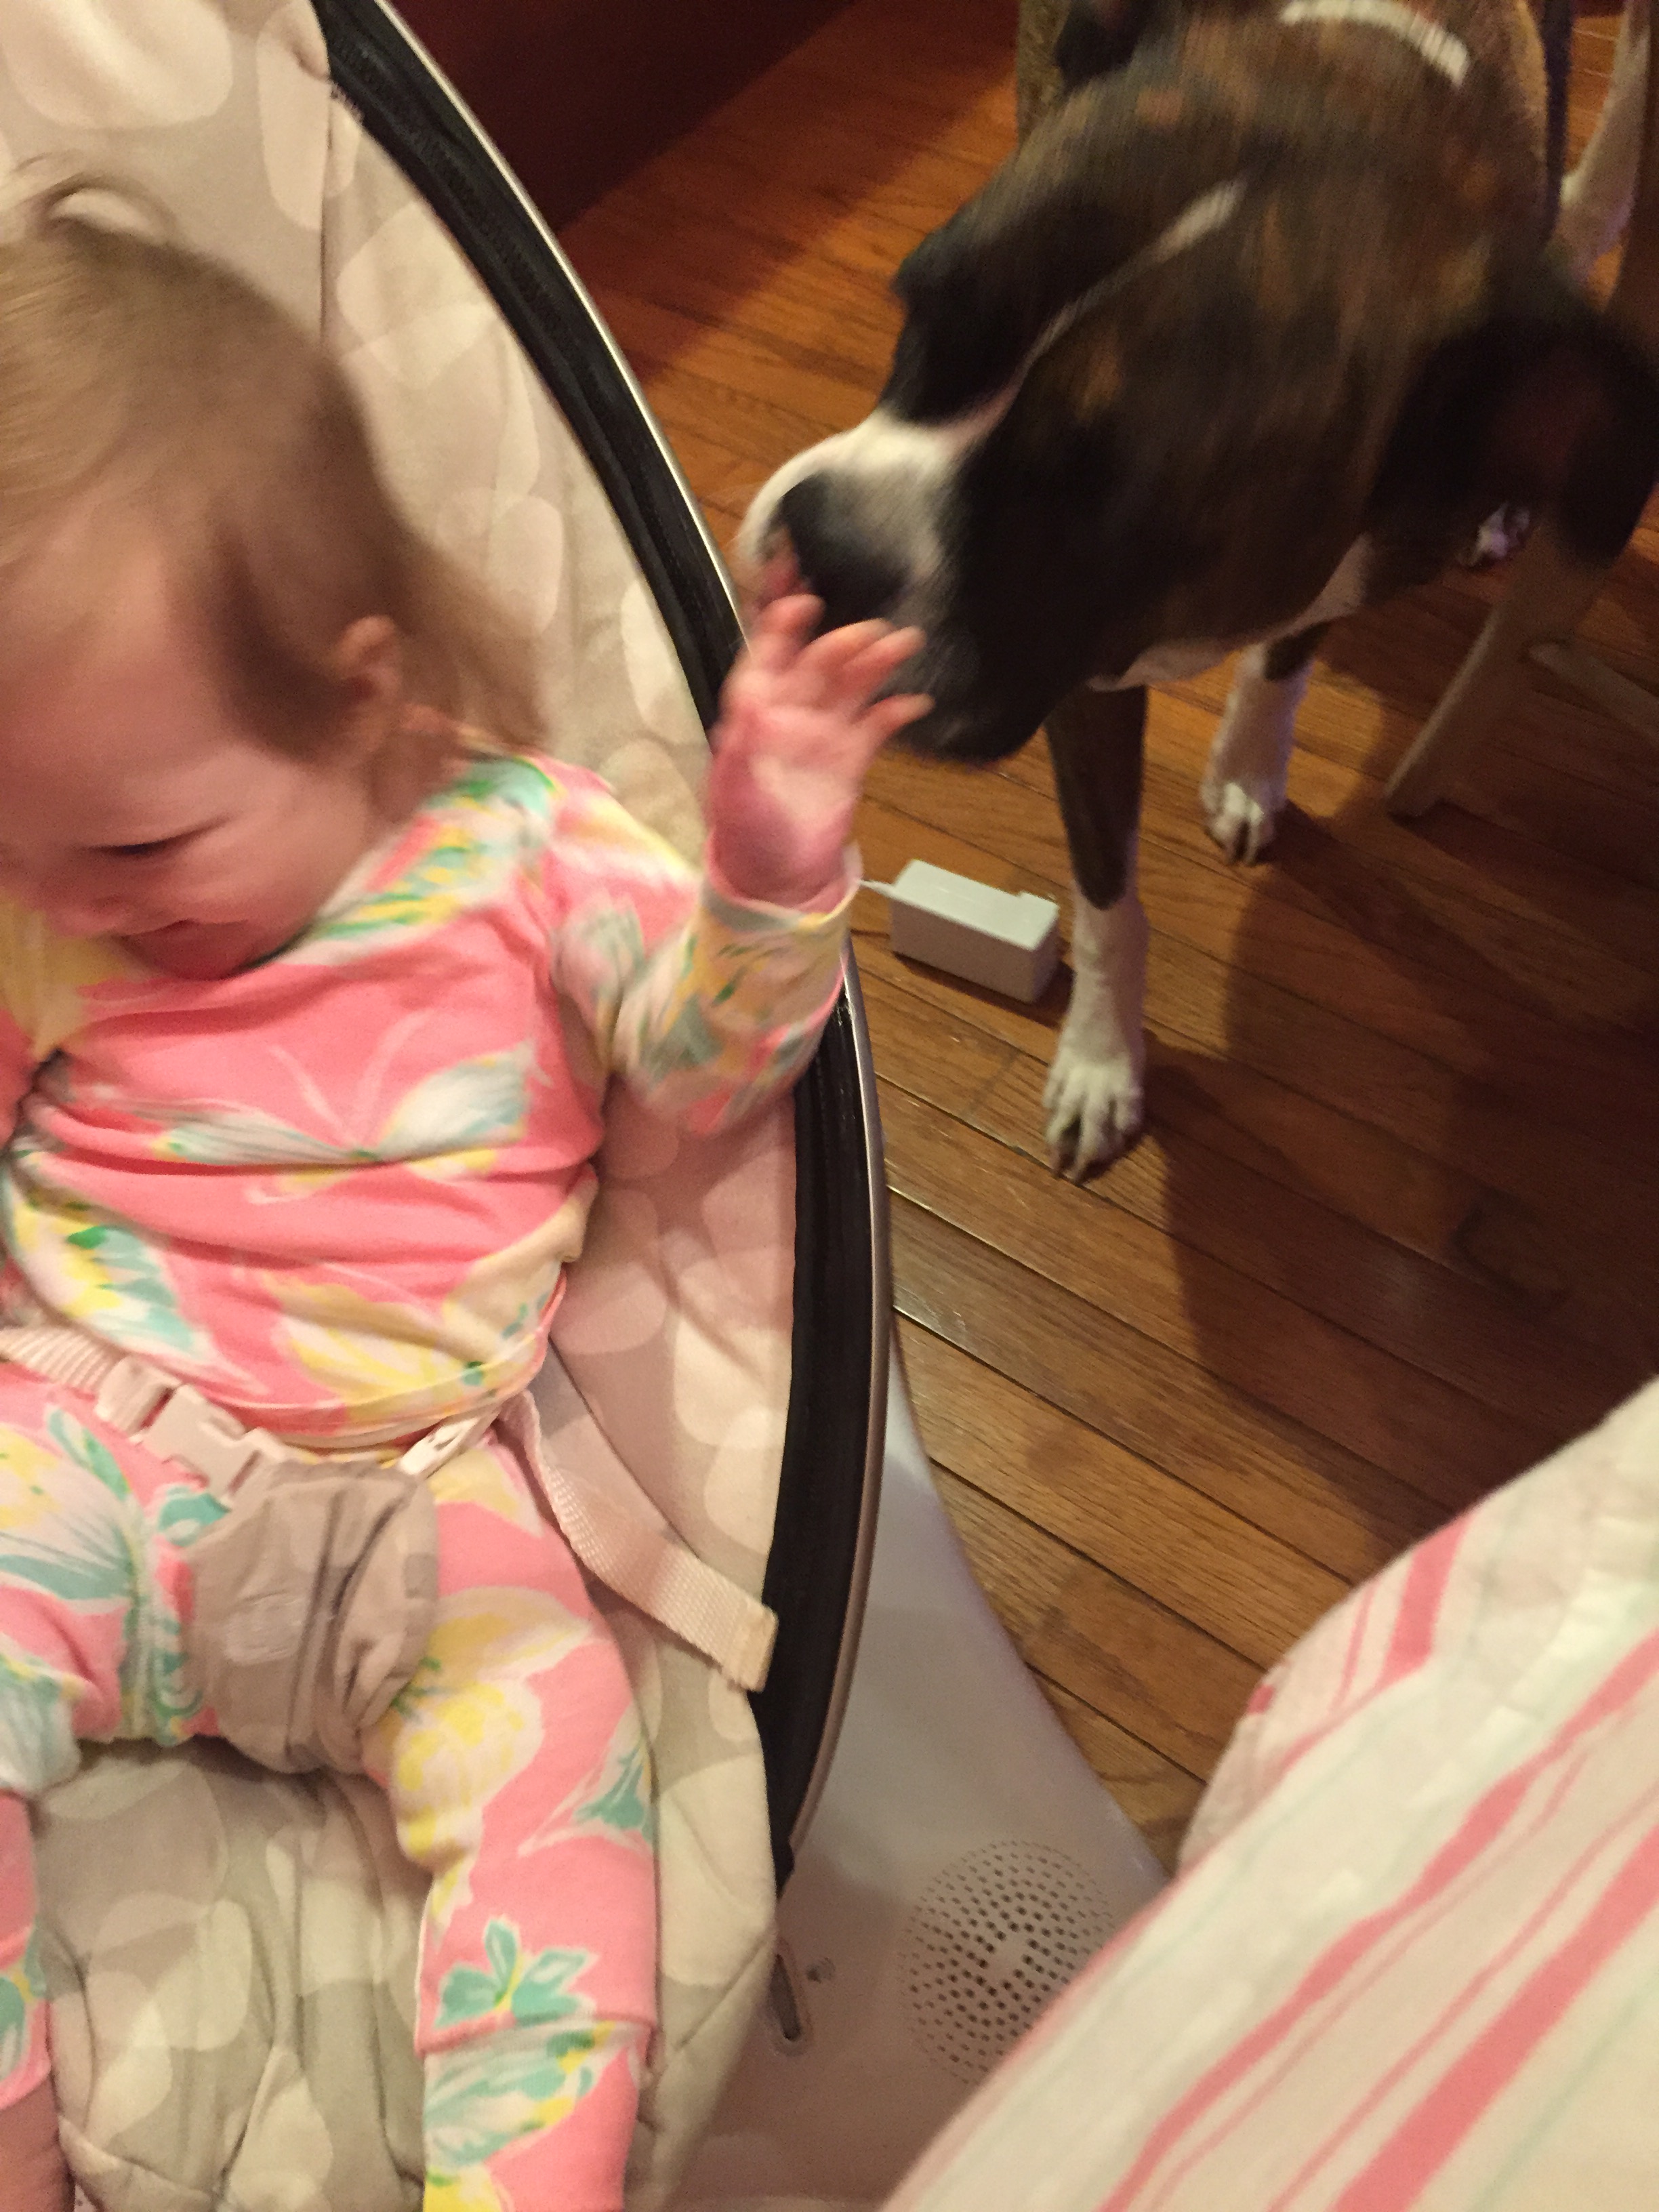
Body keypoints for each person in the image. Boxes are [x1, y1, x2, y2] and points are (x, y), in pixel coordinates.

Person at [0, 176, 928, 2212]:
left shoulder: (531, 856)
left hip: (417, 1501)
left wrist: (772, 881)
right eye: (19, 845)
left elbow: (709, 1069)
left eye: (139, 853)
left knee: (567, 1780)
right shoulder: (48, 889)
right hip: (82, 1438)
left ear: (355, 694)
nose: (71, 903)